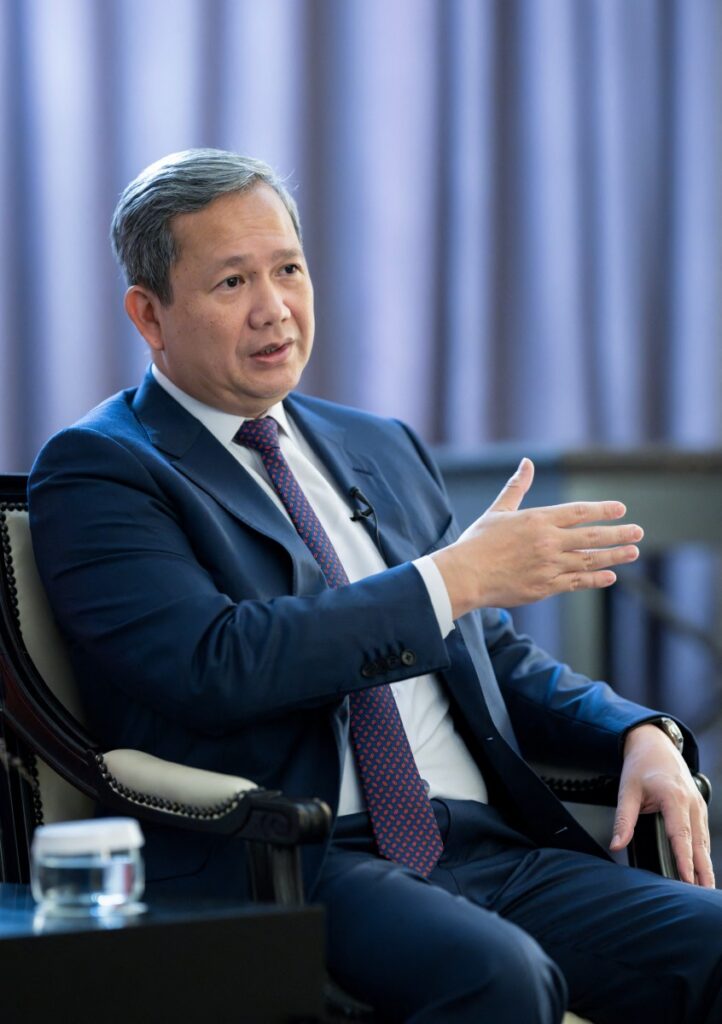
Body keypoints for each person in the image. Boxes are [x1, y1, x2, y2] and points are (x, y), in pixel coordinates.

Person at [29, 149, 722, 1023]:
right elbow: (212, 663)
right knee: (499, 977)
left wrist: (638, 731)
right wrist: (447, 580)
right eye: (233, 281)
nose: (274, 308)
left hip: (486, 846)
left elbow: (490, 654)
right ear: (149, 314)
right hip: (299, 858)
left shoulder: (379, 445)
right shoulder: (102, 469)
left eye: (288, 269)